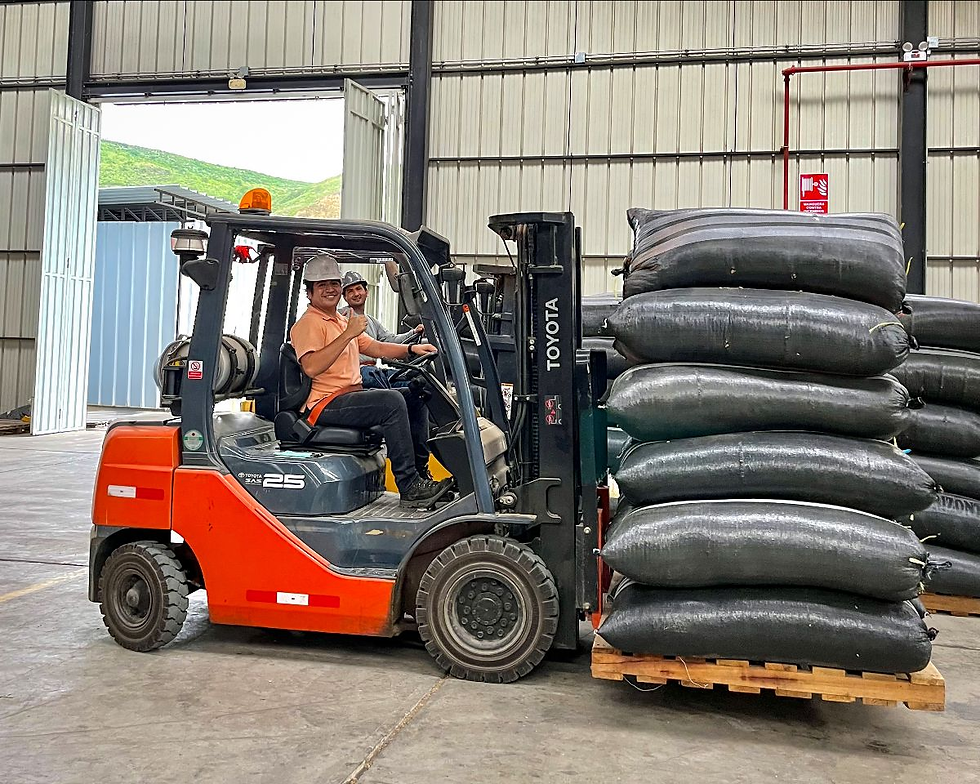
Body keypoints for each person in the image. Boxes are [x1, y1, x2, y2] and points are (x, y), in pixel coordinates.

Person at [290, 253, 452, 509]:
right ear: (310, 293)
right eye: (322, 285)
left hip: (349, 395)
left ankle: (421, 475)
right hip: (325, 403)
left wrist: (411, 350)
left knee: (415, 392)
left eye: (333, 283)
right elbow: (311, 366)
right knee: (390, 400)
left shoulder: (341, 321)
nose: (330, 289)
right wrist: (347, 335)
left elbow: (375, 347)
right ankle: (408, 485)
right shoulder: (309, 324)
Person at [340, 270, 423, 389]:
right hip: (356, 372)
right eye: (350, 291)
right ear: (345, 297)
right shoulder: (341, 317)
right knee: (407, 386)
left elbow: (390, 340)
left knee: (415, 380)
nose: (356, 294)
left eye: (358, 289)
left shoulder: (372, 322)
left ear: (366, 292)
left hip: (372, 371)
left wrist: (414, 332)